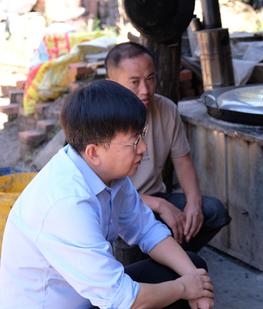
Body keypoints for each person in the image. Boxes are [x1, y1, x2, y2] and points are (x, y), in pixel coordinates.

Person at [0, 80, 214, 308]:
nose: (143, 148)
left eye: (142, 135)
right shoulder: (66, 205)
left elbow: (146, 229)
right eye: (133, 142)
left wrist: (196, 281)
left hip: (89, 298)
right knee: (174, 290)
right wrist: (184, 288)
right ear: (94, 152)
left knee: (192, 265)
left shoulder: (106, 171)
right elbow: (122, 299)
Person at [105, 42, 230, 251]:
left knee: (213, 211)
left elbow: (183, 161)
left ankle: (173, 258)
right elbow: (107, 193)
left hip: (154, 198)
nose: (145, 90)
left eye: (151, 79)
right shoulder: (102, 120)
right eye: (135, 82)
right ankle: (164, 260)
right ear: (112, 84)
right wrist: (160, 206)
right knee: (133, 245)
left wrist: (193, 203)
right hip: (117, 209)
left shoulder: (166, 109)